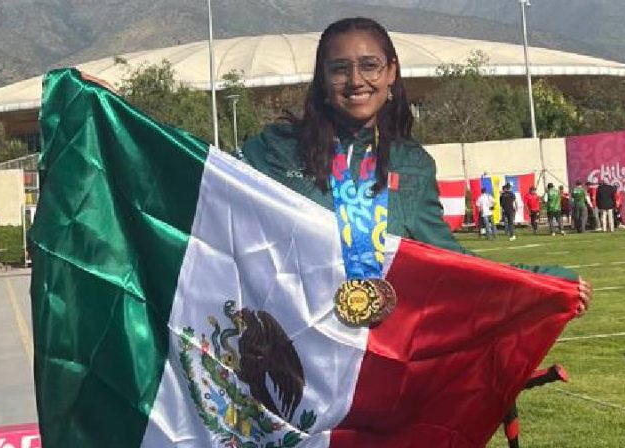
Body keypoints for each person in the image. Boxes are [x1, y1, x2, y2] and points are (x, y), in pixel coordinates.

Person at [241, 17, 590, 312]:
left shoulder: (413, 164)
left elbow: (452, 262)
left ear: (391, 72)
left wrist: (542, 281)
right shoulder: (276, 149)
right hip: (295, 335)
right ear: (322, 79)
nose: (356, 81)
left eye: (369, 65)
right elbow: (208, 192)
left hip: (373, 350)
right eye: (339, 69)